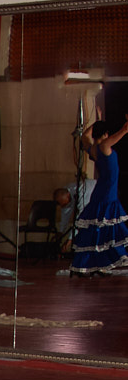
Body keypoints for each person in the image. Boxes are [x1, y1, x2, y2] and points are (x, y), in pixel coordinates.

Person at [69, 116, 128, 275]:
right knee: (102, 228)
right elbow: (124, 131)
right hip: (107, 193)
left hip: (102, 191)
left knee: (98, 229)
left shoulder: (93, 148)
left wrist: (96, 123)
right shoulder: (104, 146)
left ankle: (96, 264)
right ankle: (94, 264)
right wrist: (124, 127)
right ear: (106, 134)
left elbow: (85, 136)